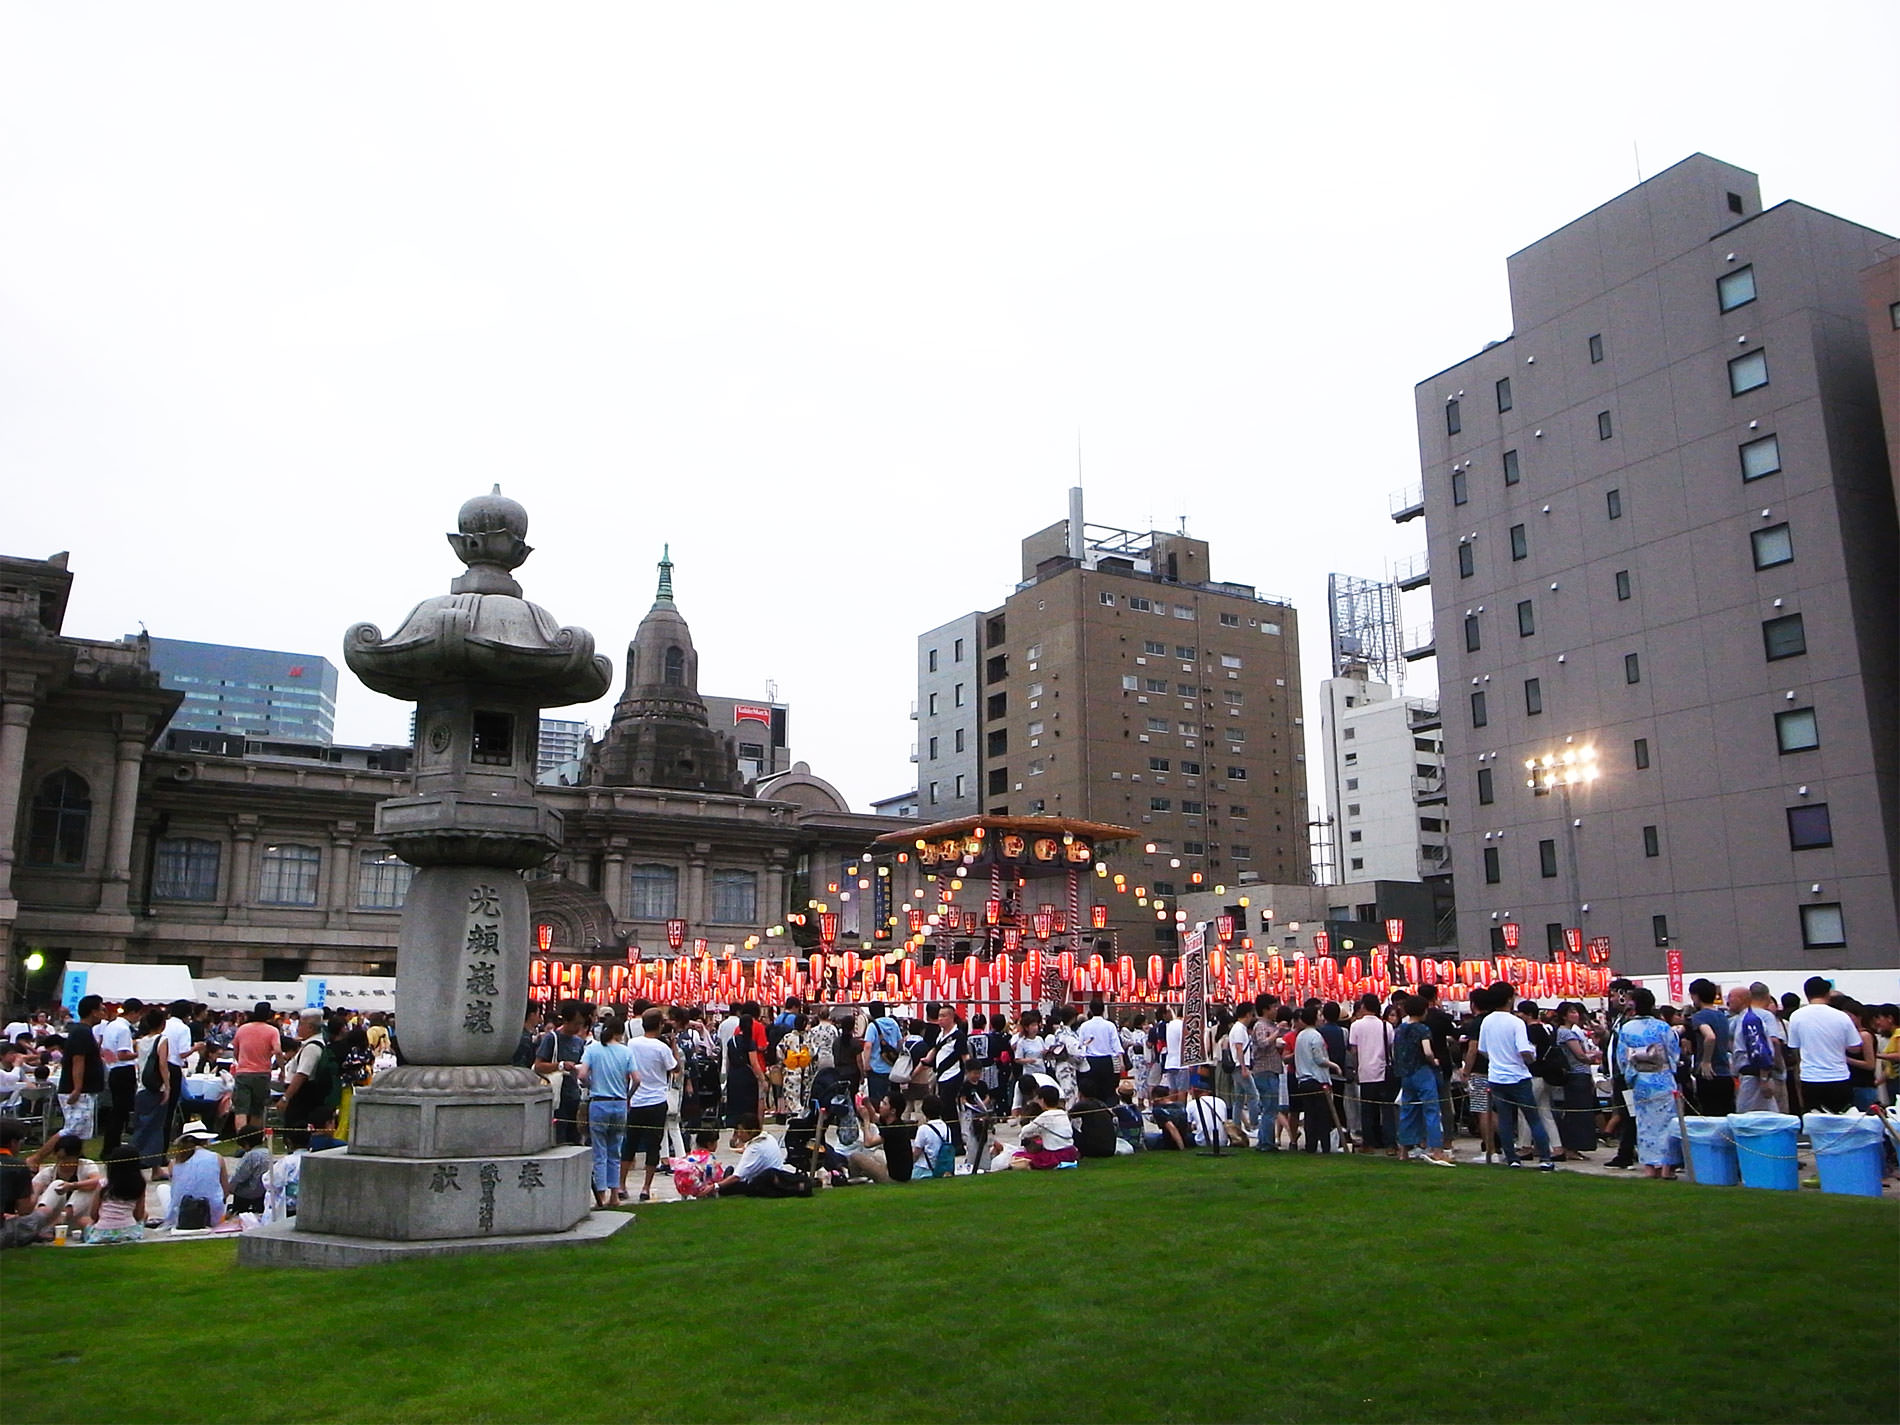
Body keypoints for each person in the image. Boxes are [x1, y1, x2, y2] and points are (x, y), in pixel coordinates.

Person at [1478, 986, 1555, 1170]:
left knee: (1505, 1119)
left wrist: (1497, 1059)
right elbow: (1524, 1050)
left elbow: (1483, 1049)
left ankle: (1511, 1158)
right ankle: (1545, 1157)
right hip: (1518, 1076)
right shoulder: (1516, 1022)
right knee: (1533, 1118)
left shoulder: (1487, 1021)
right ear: (1509, 999)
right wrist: (1531, 1059)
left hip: (1497, 1076)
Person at [1615, 988, 1682, 1178]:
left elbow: (1622, 1058)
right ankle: (1666, 1167)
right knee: (1666, 1124)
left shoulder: (1627, 1028)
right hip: (1662, 1079)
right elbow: (1672, 1054)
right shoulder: (1663, 1027)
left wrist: (1630, 1075)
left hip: (1640, 1080)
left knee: (1644, 1124)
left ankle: (1649, 1167)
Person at [621, 1007, 679, 1203]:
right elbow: (675, 1068)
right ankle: (646, 1186)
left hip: (636, 1099)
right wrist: (674, 1045)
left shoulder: (632, 1043)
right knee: (654, 1145)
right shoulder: (662, 1047)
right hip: (656, 1099)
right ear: (660, 1025)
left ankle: (622, 1184)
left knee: (630, 1142)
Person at [578, 1013, 635, 1208]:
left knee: (599, 1151)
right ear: (620, 1033)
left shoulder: (593, 1050)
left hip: (599, 1102)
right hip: (619, 1103)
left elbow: (582, 1074)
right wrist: (628, 1095)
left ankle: (600, 1195)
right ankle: (615, 1194)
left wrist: (590, 1084)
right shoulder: (625, 1052)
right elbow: (637, 1079)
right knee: (615, 1150)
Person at [1393, 995, 1454, 1165]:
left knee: (1408, 1111)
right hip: (1423, 1072)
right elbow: (1427, 1051)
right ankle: (1436, 1150)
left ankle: (1403, 1150)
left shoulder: (1400, 1029)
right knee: (1432, 1110)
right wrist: (1433, 1060)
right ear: (1424, 1010)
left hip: (1406, 1074)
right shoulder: (1422, 1029)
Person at [1787, 977, 1861, 1113]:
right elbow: (1855, 1047)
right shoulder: (1841, 1016)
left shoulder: (1796, 1016)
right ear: (1827, 994)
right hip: (1839, 1076)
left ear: (1806, 994)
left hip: (1810, 1077)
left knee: (1817, 1123)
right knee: (1843, 1120)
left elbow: (1794, 1046)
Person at [533, 999, 593, 1145]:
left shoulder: (579, 1042)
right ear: (566, 1021)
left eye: (581, 1023)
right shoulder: (551, 1038)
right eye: (576, 1023)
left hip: (573, 1094)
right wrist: (560, 1066)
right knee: (558, 1137)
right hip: (556, 1096)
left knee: (574, 1137)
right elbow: (538, 1066)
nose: (579, 1027)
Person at [717, 1114, 810, 1197]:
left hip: (761, 1182)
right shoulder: (768, 1137)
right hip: (777, 1174)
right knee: (729, 1174)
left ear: (752, 1131)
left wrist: (715, 1186)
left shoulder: (754, 1148)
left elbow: (737, 1176)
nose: (739, 1135)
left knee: (726, 1186)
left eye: (742, 1131)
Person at [1347, 994, 1395, 1155]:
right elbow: (1390, 1048)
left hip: (1365, 1071)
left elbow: (1354, 1051)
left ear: (1363, 1007)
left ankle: (1369, 1143)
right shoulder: (1386, 1026)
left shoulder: (1356, 1026)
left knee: (1367, 1110)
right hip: (1383, 1071)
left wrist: (1356, 1068)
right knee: (1386, 1110)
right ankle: (1390, 1144)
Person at [1291, 1005, 1342, 1153]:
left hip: (1303, 1080)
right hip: (1316, 1080)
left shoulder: (1300, 1036)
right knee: (1322, 1116)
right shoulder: (1315, 1036)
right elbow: (1319, 1059)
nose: (1322, 1018)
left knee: (1310, 1116)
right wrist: (1335, 1066)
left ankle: (1310, 1145)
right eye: (1319, 1016)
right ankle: (1325, 1146)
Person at [1730, 984, 1788, 1114]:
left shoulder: (1750, 1020)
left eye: (1731, 998)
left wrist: (1764, 1079)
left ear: (1742, 999)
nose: (1728, 1002)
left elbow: (1759, 1049)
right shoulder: (1742, 1019)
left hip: (1754, 1076)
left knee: (1750, 1117)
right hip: (1752, 1075)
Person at [1553, 1002, 1599, 1158]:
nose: (1576, 1015)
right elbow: (1579, 1055)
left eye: (1576, 1012)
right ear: (1564, 1015)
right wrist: (1592, 1058)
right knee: (1577, 1114)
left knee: (1580, 1112)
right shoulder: (1566, 1033)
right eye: (1571, 1012)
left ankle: (1575, 1147)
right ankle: (1571, 1147)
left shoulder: (1571, 1032)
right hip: (1576, 1075)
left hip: (1581, 1075)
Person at [58, 994, 105, 1143]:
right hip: (78, 1089)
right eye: (102, 1010)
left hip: (86, 1089)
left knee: (81, 1132)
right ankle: (37, 1157)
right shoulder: (81, 1032)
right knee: (72, 1130)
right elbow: (78, 1060)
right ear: (94, 1012)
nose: (104, 1013)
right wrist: (77, 1088)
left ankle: (75, 1158)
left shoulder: (85, 1031)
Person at [229, 1002, 281, 1133]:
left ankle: (241, 1137)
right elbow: (278, 1051)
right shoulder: (272, 1031)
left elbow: (236, 1049)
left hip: (243, 1072)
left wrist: (240, 1060)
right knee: (257, 1109)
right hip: (262, 1073)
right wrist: (283, 1069)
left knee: (241, 1109)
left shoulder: (242, 1029)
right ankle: (254, 1138)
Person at [278, 1008, 333, 1132]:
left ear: (310, 1027)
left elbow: (302, 1074)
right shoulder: (312, 1043)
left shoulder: (312, 1047)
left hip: (302, 1095)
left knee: (295, 1128)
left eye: (301, 1024)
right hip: (303, 1093)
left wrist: (286, 1098)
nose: (298, 1028)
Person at [1686, 979, 1734, 1117]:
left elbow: (1710, 1036)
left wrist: (1706, 1061)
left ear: (1696, 996)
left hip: (1708, 1075)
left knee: (1710, 1116)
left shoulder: (1699, 1017)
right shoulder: (1722, 1016)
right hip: (1725, 1073)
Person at [96, 998, 138, 1152]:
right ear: (133, 1013)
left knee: (117, 1111)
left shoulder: (110, 1025)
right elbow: (123, 1054)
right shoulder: (124, 1029)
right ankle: (112, 1147)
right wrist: (139, 1053)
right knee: (120, 1112)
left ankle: (111, 1145)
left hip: (113, 1069)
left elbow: (104, 1050)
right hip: (124, 1070)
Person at [83, 1146, 148, 1245]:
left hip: (102, 1233)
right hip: (129, 1232)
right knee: (145, 1214)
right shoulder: (140, 1184)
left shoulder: (104, 1184)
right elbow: (139, 1215)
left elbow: (94, 1214)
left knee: (83, 1220)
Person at [163, 1133, 229, 1229]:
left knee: (163, 1189)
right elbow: (226, 1191)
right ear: (205, 1140)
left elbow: (175, 1192)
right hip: (213, 1217)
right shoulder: (217, 1158)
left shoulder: (175, 1162)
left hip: (181, 1217)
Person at [1009, 1084, 1079, 1170]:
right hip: (1071, 1152)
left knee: (1018, 1155)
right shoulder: (1063, 1113)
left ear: (1042, 1100)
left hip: (1055, 1154)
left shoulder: (1044, 1117)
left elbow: (1025, 1131)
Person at [861, 1000, 904, 1109]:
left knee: (877, 1102)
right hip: (893, 1069)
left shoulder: (872, 1026)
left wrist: (866, 1064)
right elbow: (900, 1042)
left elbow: (868, 1046)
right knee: (893, 1102)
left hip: (877, 1069)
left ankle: (879, 1122)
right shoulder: (894, 1023)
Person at [1077, 1000, 1122, 1103]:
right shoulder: (1109, 1025)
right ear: (1103, 1010)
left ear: (1091, 1011)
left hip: (1090, 1062)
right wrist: (1120, 1061)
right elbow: (1116, 1045)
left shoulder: (1085, 1026)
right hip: (1106, 1062)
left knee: (1091, 1093)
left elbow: (1081, 1045)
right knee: (1107, 1092)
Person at [227, 1125, 272, 1217]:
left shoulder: (250, 1156)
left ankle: (237, 1211)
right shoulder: (268, 1153)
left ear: (245, 1143)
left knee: (238, 1190)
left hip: (247, 1193)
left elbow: (240, 1176)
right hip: (263, 1191)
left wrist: (230, 1188)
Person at [912, 1095, 957, 1179]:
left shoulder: (923, 1129)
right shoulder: (946, 1127)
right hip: (942, 1168)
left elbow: (916, 1153)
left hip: (924, 1169)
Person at [1185, 1078, 1230, 1149]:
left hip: (1203, 1141)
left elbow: (1187, 1126)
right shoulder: (1220, 1101)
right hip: (1223, 1141)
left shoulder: (1192, 1104)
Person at [1146, 1084, 1190, 1150]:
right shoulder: (1180, 1105)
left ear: (1155, 1097)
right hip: (1186, 1138)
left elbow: (1172, 1128)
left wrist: (1182, 1147)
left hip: (1170, 1142)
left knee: (1146, 1136)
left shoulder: (1158, 1110)